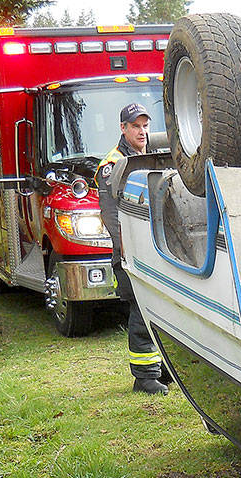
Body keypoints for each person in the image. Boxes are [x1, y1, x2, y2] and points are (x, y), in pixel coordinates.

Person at [97, 103, 168, 394]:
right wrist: (127, 251)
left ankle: (161, 370)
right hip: (129, 253)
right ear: (123, 129)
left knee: (159, 309)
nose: (142, 131)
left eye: (145, 126)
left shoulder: (147, 156)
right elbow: (111, 214)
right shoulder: (112, 165)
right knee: (141, 310)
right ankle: (145, 376)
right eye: (135, 126)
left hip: (154, 248)